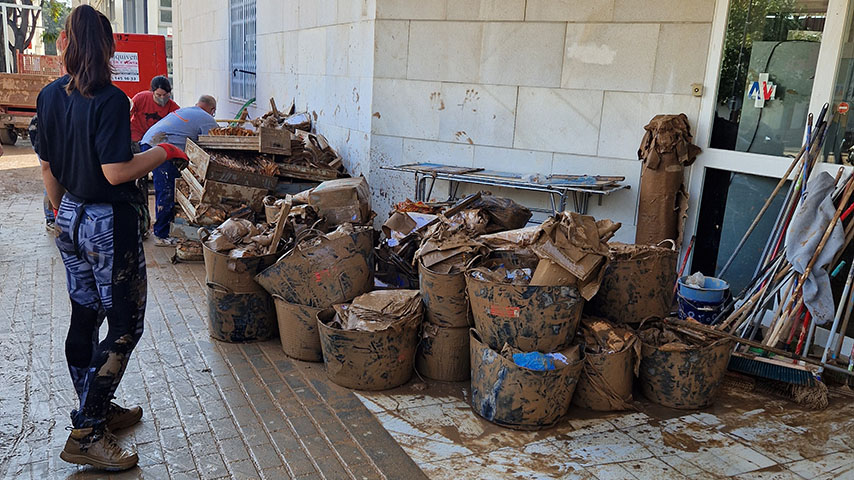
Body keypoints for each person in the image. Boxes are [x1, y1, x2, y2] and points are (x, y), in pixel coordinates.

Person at [37, 5, 189, 471]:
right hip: (108, 225)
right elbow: (116, 170)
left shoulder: (49, 95)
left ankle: (96, 407)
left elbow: (47, 164)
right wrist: (163, 151)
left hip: (70, 216)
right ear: (105, 48)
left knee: (84, 315)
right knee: (125, 326)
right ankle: (86, 430)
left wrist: (63, 215)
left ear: (66, 43)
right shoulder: (109, 98)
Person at [140, 96, 218, 246]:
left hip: (149, 142)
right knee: (166, 189)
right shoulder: (207, 118)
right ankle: (161, 234)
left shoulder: (187, 110)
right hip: (162, 146)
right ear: (212, 110)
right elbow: (215, 145)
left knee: (167, 187)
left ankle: (164, 227)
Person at [129, 75, 179, 148]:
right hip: (135, 137)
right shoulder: (141, 98)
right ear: (152, 92)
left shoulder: (173, 108)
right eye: (158, 95)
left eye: (165, 95)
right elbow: (127, 115)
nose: (162, 98)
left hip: (155, 141)